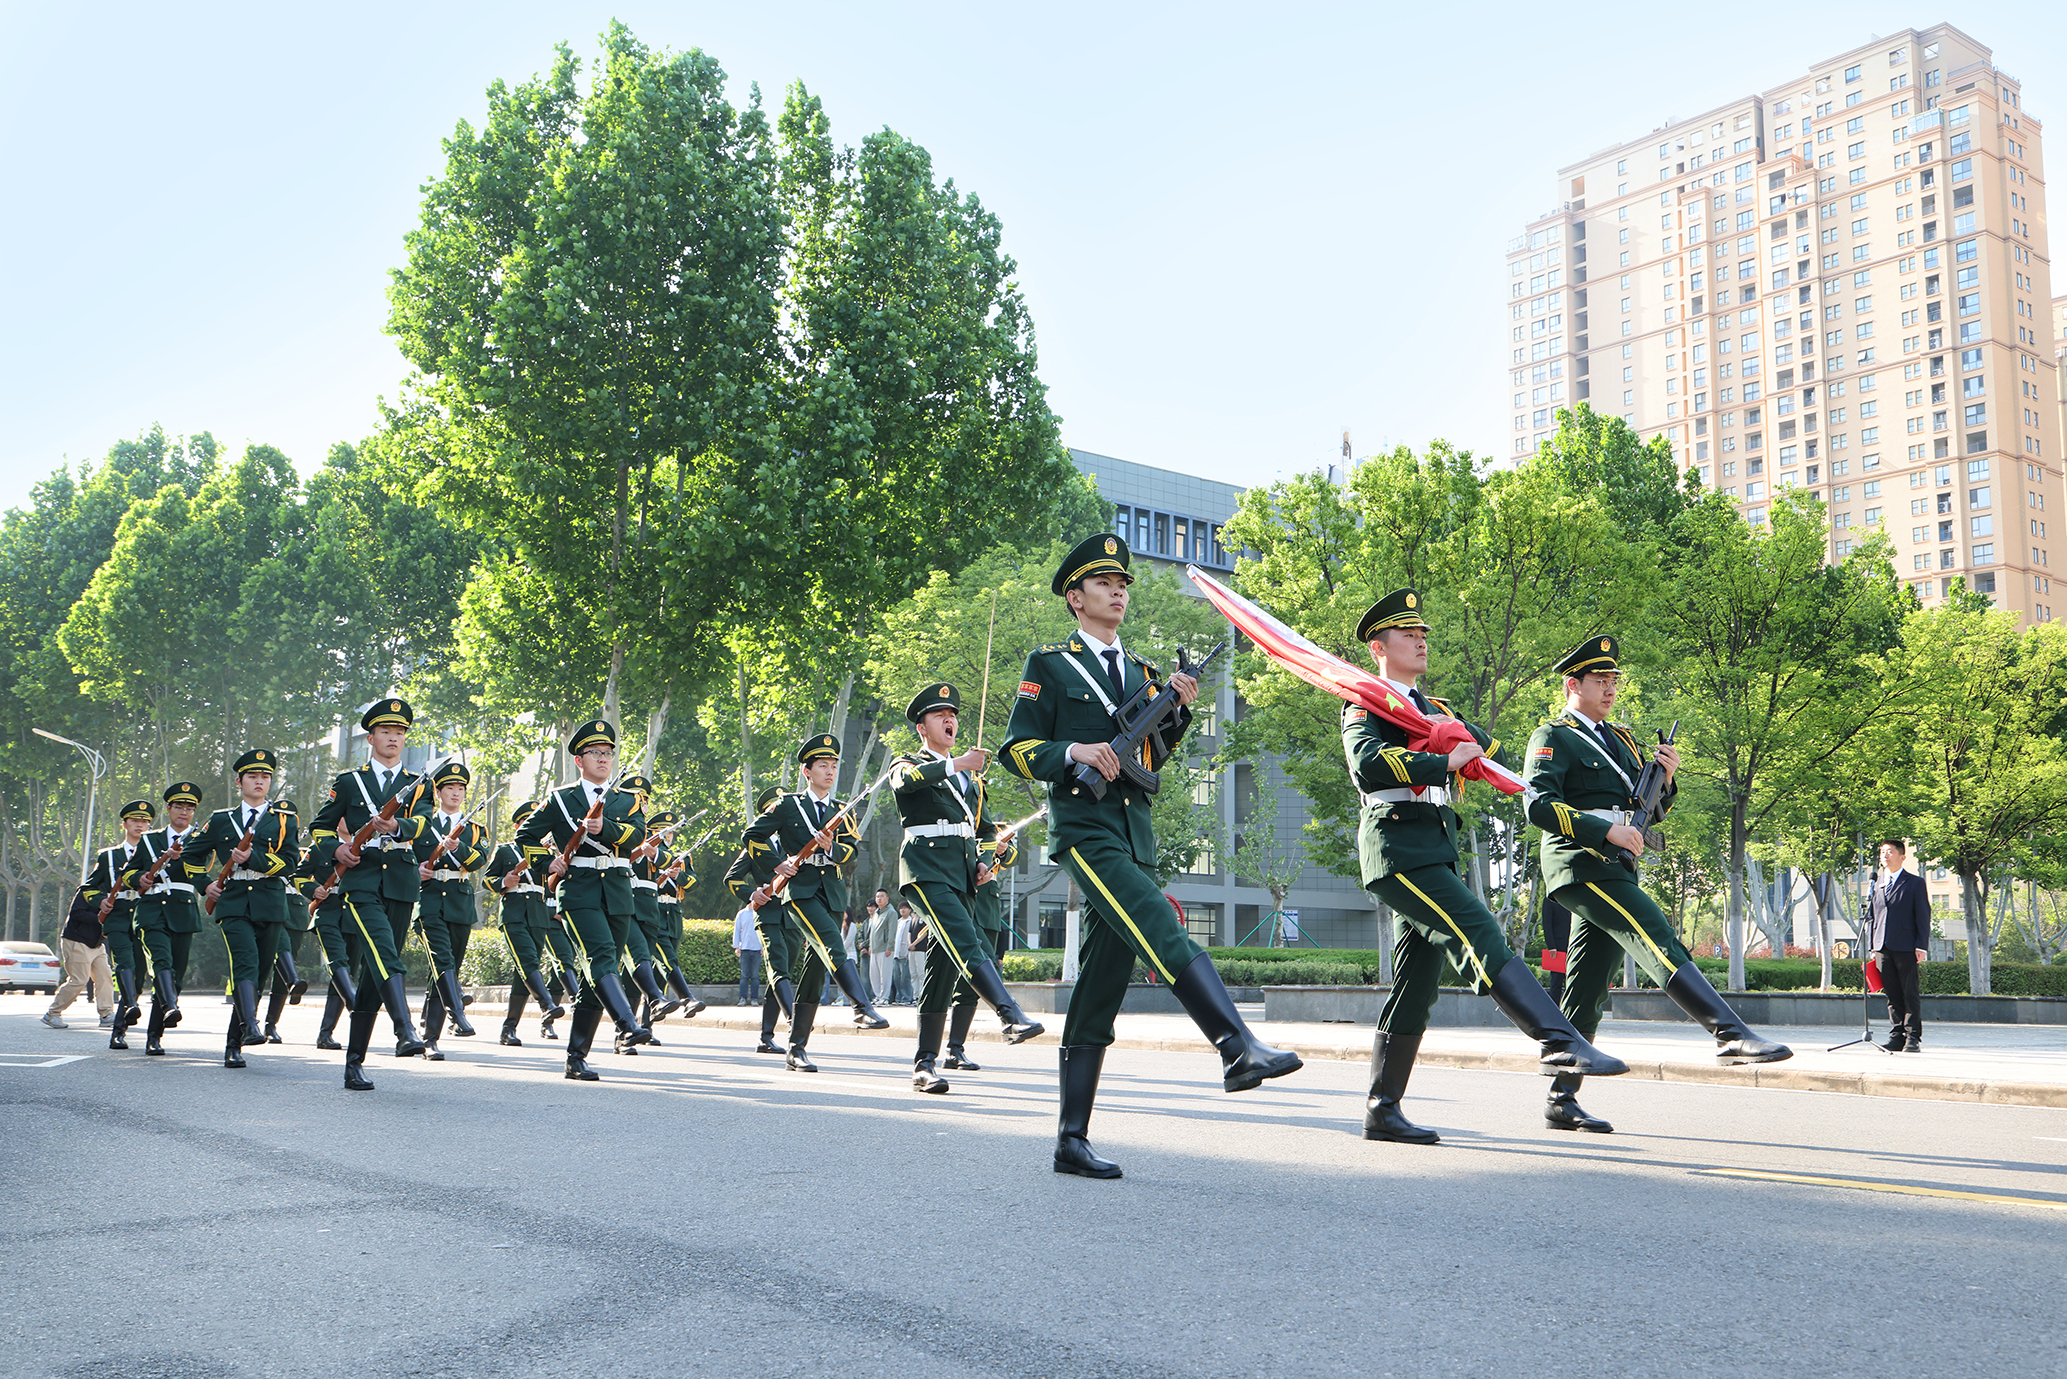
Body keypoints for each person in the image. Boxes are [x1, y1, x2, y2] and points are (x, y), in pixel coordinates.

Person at [1003, 533, 1300, 1178]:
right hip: (1085, 830)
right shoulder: (1049, 666)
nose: (1119, 590)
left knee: (1103, 983)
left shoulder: (1139, 672)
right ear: (1075, 598)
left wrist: (1179, 712)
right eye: (1105, 583)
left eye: (1124, 583)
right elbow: (1018, 749)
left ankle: (1070, 1139)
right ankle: (1235, 1043)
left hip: (1134, 833)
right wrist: (1073, 753)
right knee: (1158, 921)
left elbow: (1149, 760)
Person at [1345, 593, 1626, 1146]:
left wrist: (1452, 739)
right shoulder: (1366, 704)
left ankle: (1383, 1109)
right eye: (1406, 635)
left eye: (1422, 632)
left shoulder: (1435, 707)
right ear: (1378, 648)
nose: (1421, 640)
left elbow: (1478, 747)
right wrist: (1438, 759)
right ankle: (1556, 1038)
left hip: (1434, 845)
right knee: (1479, 930)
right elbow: (1369, 765)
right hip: (1396, 848)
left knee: (1416, 985)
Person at [1523, 636, 1790, 1133]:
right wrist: (1604, 831)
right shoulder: (1552, 736)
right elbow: (1538, 805)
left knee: (1586, 987)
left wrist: (1666, 780)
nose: (1609, 689)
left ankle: (1561, 1098)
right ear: (1572, 684)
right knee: (1655, 932)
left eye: (1613, 681)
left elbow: (1647, 809)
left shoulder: (1622, 740)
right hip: (1579, 865)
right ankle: (1729, 1033)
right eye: (1599, 681)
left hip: (1618, 864)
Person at [896, 682, 1045, 1094]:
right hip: (925, 871)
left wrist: (986, 861)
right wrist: (958, 764)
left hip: (962, 876)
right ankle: (1009, 1014)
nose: (950, 720)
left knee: (941, 972)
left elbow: (980, 832)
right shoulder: (908, 762)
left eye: (953, 715)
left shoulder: (973, 782)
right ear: (922, 728)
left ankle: (924, 1065)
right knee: (968, 939)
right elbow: (906, 783)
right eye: (939, 715)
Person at [514, 719, 653, 1080]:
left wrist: (603, 828)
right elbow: (526, 835)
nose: (604, 759)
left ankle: (577, 1056)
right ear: (580, 760)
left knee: (597, 973)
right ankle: (626, 1022)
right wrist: (548, 861)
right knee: (601, 955)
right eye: (596, 753)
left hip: (619, 889)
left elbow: (636, 833)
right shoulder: (562, 799)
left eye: (608, 753)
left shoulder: (627, 799)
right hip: (578, 887)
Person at [740, 734, 888, 1073]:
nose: (830, 771)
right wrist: (778, 863)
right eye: (823, 765)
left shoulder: (840, 810)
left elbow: (851, 850)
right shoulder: (789, 805)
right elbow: (753, 835)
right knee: (834, 945)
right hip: (802, 891)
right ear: (807, 771)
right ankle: (861, 1006)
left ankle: (796, 1047)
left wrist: (830, 848)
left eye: (834, 766)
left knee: (814, 971)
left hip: (832, 893)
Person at [309, 698, 433, 1089]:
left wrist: (398, 826)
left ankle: (354, 1062)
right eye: (386, 731)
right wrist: (336, 849)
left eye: (399, 733)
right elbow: (320, 827)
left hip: (400, 880)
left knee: (373, 974)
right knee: (384, 951)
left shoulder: (418, 783)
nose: (394, 738)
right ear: (371, 737)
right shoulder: (349, 782)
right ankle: (405, 1029)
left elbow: (425, 824)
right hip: (361, 882)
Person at [190, 750, 299, 1068]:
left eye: (265, 777)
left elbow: (290, 862)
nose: (260, 781)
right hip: (234, 900)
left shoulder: (284, 820)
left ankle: (234, 1043)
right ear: (240, 781)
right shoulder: (221, 819)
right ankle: (251, 1025)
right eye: (253, 776)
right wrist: (205, 885)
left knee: (261, 973)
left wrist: (254, 859)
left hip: (269, 902)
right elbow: (190, 857)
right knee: (245, 963)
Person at [124, 781, 208, 1054]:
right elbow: (128, 873)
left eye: (190, 808)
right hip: (151, 909)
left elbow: (200, 873)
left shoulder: (199, 840)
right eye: (179, 807)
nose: (184, 812)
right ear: (168, 809)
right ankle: (170, 1008)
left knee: (176, 976)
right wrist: (142, 877)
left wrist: (182, 860)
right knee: (161, 961)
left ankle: (155, 1033)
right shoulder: (150, 839)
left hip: (182, 909)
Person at [945, 787, 1022, 1072]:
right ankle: (1011, 1018)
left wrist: (1001, 848)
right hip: (962, 904)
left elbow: (1011, 857)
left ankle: (955, 1049)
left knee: (969, 987)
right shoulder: (956, 821)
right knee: (974, 971)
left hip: (987, 910)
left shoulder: (990, 826)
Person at [414, 760, 487, 1060]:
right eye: (450, 788)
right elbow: (408, 859)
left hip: (459, 901)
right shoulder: (421, 824)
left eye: (460, 789)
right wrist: (416, 871)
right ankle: (457, 1012)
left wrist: (457, 848)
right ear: (439, 792)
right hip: (429, 900)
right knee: (442, 958)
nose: (456, 793)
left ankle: (429, 1037)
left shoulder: (473, 829)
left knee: (443, 970)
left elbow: (479, 860)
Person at [725, 784, 794, 1054]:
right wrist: (751, 893)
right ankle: (794, 1017)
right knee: (778, 966)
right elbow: (731, 878)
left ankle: (766, 1036)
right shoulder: (756, 847)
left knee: (781, 974)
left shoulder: (796, 840)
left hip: (794, 915)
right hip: (769, 913)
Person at [489, 803, 566, 1046]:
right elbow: (488, 880)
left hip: (538, 914)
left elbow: (553, 886)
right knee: (527, 962)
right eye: (525, 823)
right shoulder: (505, 851)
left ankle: (508, 1028)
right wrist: (505, 880)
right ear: (517, 826)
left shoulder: (547, 855)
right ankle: (547, 1004)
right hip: (513, 912)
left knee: (522, 971)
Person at [88, 800, 153, 1048]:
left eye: (145, 821)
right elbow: (89, 887)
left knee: (138, 976)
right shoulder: (109, 856)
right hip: (117, 917)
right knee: (124, 962)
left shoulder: (155, 854)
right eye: (135, 821)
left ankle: (121, 1025)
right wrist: (101, 901)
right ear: (124, 824)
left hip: (144, 914)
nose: (140, 825)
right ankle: (129, 1013)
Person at [1869, 839, 1932, 1053]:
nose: (1884, 855)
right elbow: (1872, 917)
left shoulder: (1914, 883)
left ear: (1902, 857)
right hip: (1882, 946)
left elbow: (1923, 916)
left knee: (1909, 992)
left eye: (1890, 852)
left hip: (1906, 946)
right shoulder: (1877, 883)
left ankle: (1913, 1036)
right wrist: (1872, 945)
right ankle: (1896, 1035)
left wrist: (1921, 946)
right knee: (1892, 994)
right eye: (1882, 852)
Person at [43, 886, 113, 1030]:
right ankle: (52, 1013)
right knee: (79, 980)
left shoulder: (116, 891)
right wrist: (99, 918)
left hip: (97, 943)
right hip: (77, 940)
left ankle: (106, 1014)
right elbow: (76, 912)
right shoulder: (88, 890)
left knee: (105, 976)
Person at [867, 889, 897, 1007]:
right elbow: (872, 931)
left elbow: (892, 930)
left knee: (885, 974)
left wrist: (889, 946)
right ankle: (878, 996)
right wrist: (870, 946)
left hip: (885, 948)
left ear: (887, 898)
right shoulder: (876, 913)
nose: (879, 898)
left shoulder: (891, 912)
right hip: (874, 948)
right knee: (874, 974)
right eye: (877, 896)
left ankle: (884, 997)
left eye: (882, 896)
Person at [732, 898, 763, 1006]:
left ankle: (754, 998)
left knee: (755, 976)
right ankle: (743, 998)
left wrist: (763, 947)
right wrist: (736, 946)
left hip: (757, 949)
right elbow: (737, 930)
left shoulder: (760, 913)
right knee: (744, 976)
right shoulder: (741, 914)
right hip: (744, 949)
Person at [894, 901, 919, 1005]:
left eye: (905, 908)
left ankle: (906, 997)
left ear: (910, 910)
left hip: (906, 953)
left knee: (905, 977)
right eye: (901, 908)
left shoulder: (911, 920)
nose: (902, 910)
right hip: (896, 953)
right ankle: (898, 997)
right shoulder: (898, 921)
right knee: (896, 978)